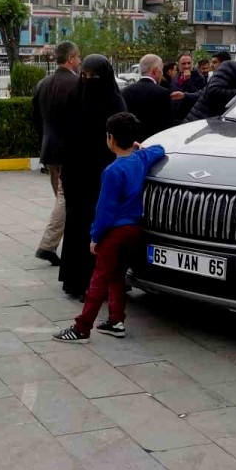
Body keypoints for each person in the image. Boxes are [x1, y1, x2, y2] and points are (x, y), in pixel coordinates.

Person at [53, 112, 165, 343]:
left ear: (110, 139)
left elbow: (105, 209)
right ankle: (116, 320)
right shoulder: (140, 160)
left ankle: (82, 327)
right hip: (133, 230)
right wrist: (139, 147)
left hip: (114, 232)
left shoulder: (113, 171)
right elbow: (159, 149)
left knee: (99, 279)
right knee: (117, 276)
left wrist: (95, 236)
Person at [59, 54, 127, 300]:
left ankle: (93, 281)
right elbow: (65, 137)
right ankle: (78, 280)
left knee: (98, 227)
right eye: (84, 76)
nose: (87, 81)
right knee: (78, 225)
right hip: (78, 175)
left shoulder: (113, 103)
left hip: (102, 176)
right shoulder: (76, 97)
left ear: (105, 77)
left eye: (93, 77)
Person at [32, 41, 81, 267]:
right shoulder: (78, 83)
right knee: (65, 199)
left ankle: (62, 244)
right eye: (78, 57)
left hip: (49, 150)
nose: (80, 62)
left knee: (62, 198)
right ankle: (48, 245)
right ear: (71, 58)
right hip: (70, 151)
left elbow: (36, 119)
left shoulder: (43, 83)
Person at [122, 54, 173, 141]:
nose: (162, 74)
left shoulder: (125, 91)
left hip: (130, 143)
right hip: (153, 143)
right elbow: (166, 125)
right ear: (156, 71)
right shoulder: (162, 93)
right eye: (161, 70)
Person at [168, 53, 206, 121]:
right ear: (178, 64)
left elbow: (199, 96)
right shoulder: (176, 77)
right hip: (175, 116)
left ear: (192, 63)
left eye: (189, 63)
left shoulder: (199, 77)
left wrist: (187, 81)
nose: (186, 66)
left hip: (189, 116)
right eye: (183, 63)